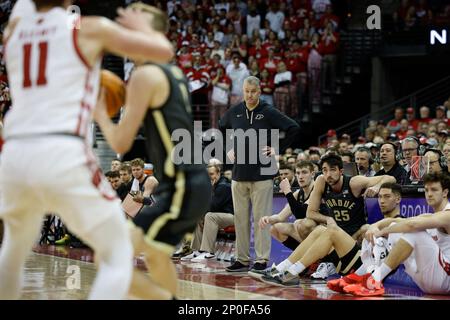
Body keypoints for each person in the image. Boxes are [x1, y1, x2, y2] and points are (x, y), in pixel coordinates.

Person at [0, 0, 173, 300]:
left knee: (13, 249)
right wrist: (139, 26)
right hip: (60, 148)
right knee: (118, 251)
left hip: (13, 152)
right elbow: (162, 51)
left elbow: (31, 17)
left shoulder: (13, 33)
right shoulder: (87, 30)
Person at [93, 3, 211, 299]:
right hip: (192, 185)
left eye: (131, 31)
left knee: (107, 258)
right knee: (157, 257)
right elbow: (166, 47)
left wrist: (99, 113)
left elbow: (120, 143)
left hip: (182, 189)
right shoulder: (173, 70)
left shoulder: (144, 77)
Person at [219, 76, 300, 273]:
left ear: (260, 91)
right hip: (238, 175)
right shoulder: (235, 112)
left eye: (253, 91)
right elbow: (221, 127)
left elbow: (294, 128)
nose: (249, 95)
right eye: (246, 91)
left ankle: (262, 260)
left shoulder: (268, 111)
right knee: (240, 219)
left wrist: (277, 148)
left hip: (262, 175)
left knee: (261, 218)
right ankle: (242, 259)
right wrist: (228, 148)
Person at [260, 182, 403, 287]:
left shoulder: (401, 223)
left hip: (369, 271)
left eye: (387, 196)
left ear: (398, 199)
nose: (382, 200)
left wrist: (376, 228)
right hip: (357, 263)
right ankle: (282, 268)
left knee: (332, 231)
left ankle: (292, 272)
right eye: (380, 197)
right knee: (320, 230)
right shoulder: (381, 222)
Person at [345, 172, 450, 296]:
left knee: (413, 233)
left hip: (446, 279)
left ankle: (374, 280)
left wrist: (382, 232)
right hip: (430, 280)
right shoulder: (432, 216)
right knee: (394, 228)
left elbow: (412, 225)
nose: (429, 194)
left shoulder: (447, 214)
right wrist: (375, 227)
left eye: (434, 190)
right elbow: (396, 221)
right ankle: (364, 276)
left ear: (445, 192)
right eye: (426, 190)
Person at [181, 163, 234, 262]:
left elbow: (213, 207)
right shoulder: (214, 185)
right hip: (218, 215)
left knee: (209, 216)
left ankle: (208, 252)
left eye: (211, 174)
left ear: (218, 173)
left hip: (231, 217)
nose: (209, 177)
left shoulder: (223, 186)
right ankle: (197, 251)